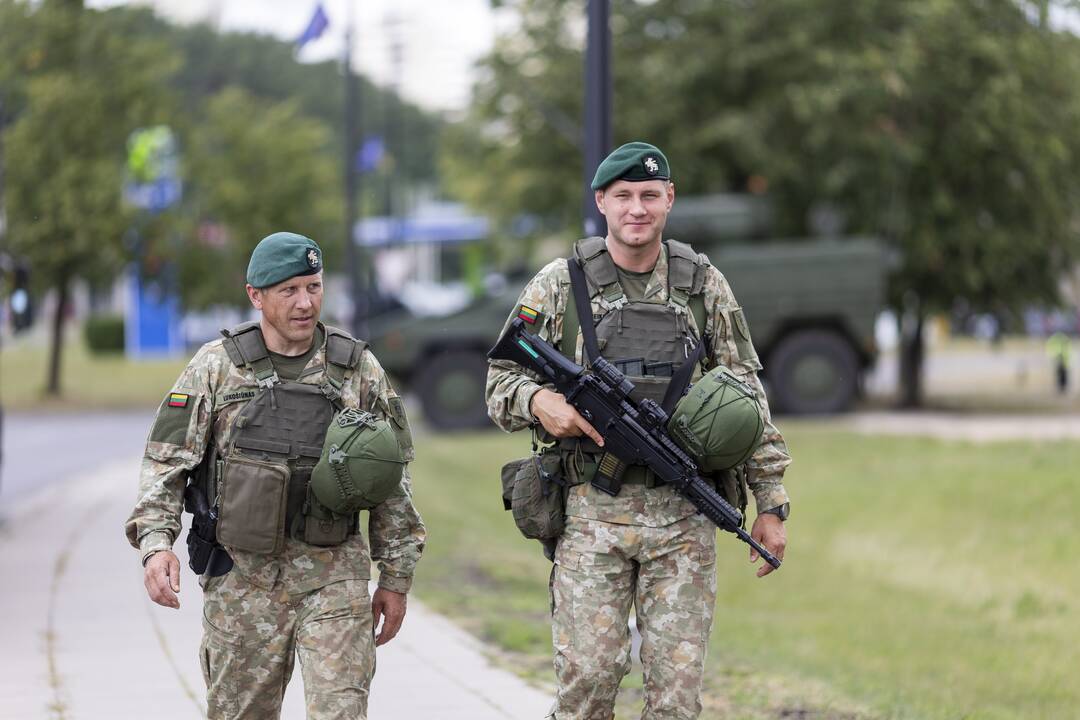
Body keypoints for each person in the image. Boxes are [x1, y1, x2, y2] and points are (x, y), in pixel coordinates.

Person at [486, 142, 791, 720]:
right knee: (588, 684)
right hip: (591, 521)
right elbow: (499, 381)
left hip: (683, 523)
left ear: (669, 200)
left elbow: (747, 396)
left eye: (650, 195)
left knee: (677, 698)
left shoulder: (702, 286)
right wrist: (539, 400)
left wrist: (771, 504)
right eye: (623, 196)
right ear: (601, 202)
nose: (637, 208)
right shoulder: (561, 284)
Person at [125, 232, 426, 720]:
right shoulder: (215, 368)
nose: (305, 303)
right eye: (289, 291)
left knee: (341, 711)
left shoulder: (359, 370)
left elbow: (392, 479)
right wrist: (156, 544)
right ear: (255, 295)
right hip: (243, 581)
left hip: (334, 575)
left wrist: (396, 576)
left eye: (314, 286)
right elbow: (166, 461)